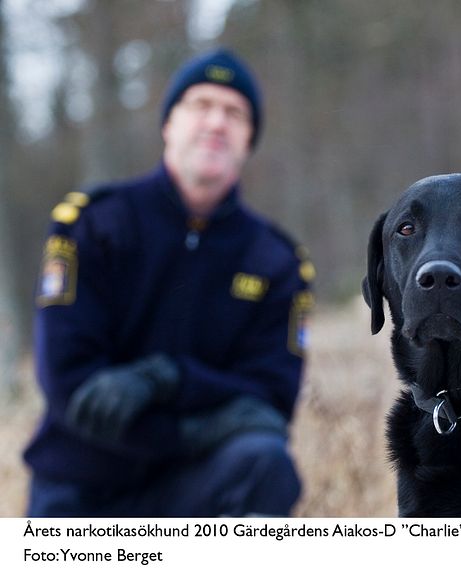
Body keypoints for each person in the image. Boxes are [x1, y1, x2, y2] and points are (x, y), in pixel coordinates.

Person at [23, 48, 315, 517]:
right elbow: (72, 385)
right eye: (200, 105)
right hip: (79, 489)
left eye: (234, 113)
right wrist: (194, 427)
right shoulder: (96, 223)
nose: (217, 123)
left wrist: (165, 380)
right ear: (168, 124)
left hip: (194, 488)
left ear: (249, 139)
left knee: (264, 463)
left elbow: (269, 401)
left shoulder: (276, 261)